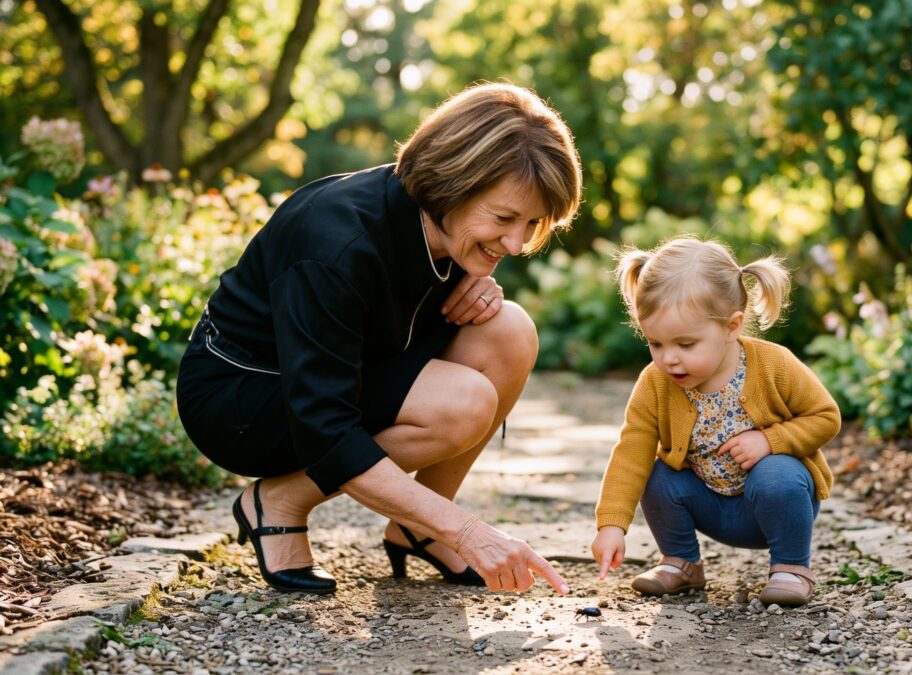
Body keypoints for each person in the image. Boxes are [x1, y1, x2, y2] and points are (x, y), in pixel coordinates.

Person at [176, 83, 582, 596]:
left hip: (355, 368)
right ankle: (279, 503)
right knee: (462, 404)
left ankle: (416, 527)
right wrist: (468, 530)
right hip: (243, 397)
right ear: (451, 182)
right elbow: (324, 425)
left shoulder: (441, 229)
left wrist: (470, 278)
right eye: (503, 219)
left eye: (532, 224)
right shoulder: (336, 239)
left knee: (510, 331)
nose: (518, 244)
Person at [590, 236, 840, 606]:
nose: (669, 359)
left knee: (778, 473)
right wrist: (611, 524)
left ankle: (791, 567)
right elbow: (631, 451)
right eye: (655, 343)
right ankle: (681, 563)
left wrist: (771, 441)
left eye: (685, 345)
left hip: (775, 504)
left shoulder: (774, 365)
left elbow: (826, 416)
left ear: (732, 326)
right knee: (655, 473)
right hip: (710, 505)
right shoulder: (655, 383)